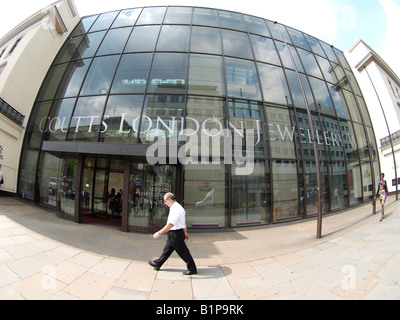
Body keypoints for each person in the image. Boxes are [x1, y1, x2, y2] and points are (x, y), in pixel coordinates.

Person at [148, 192, 197, 275]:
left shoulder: (176, 209)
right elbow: (183, 222)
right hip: (175, 233)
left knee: (184, 252)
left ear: (170, 199)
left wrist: (159, 233)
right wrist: (185, 232)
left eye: (165, 201)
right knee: (167, 250)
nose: (165, 203)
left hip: (176, 234)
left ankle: (192, 268)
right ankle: (158, 263)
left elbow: (170, 224)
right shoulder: (177, 207)